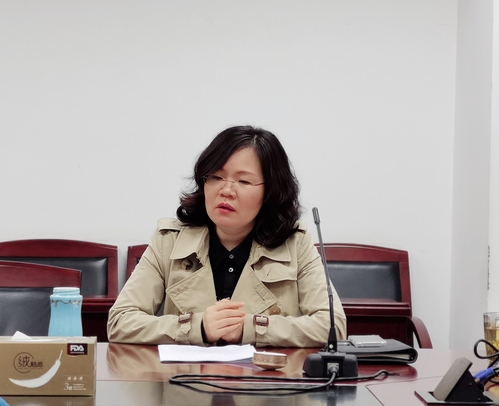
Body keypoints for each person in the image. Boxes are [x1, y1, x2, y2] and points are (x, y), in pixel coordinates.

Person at [107, 125, 346, 347]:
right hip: (185, 377)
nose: (226, 190)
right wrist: (197, 327)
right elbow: (120, 321)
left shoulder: (294, 243)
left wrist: (251, 329)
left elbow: (333, 326)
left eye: (243, 181)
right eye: (216, 177)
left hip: (263, 377)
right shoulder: (170, 240)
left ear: (270, 192)